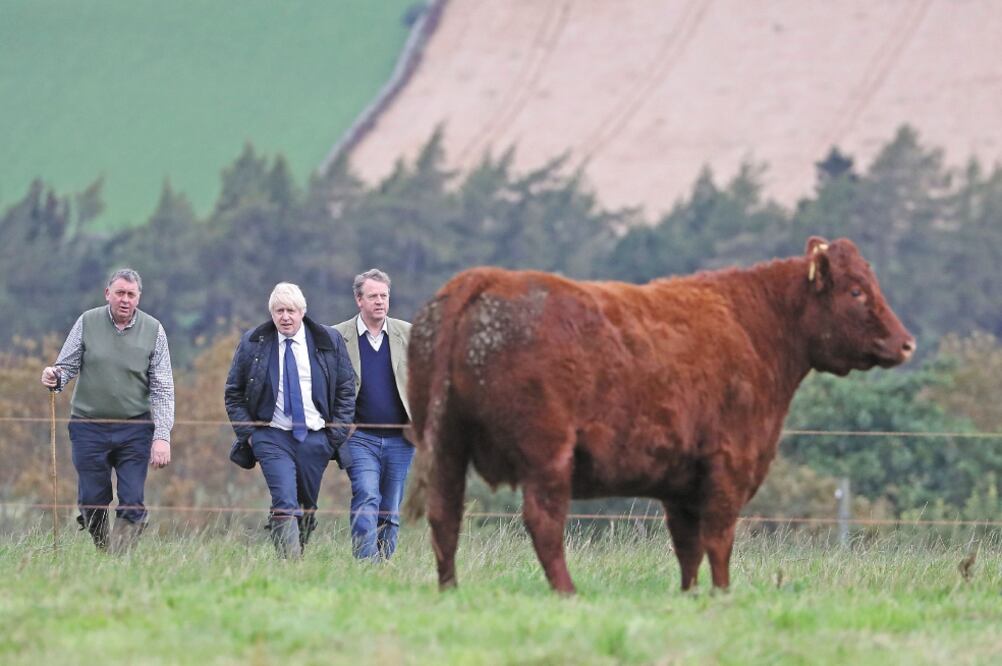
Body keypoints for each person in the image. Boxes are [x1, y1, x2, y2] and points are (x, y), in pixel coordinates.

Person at [40, 268, 174, 553]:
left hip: (135, 429)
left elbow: (163, 388)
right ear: (107, 294)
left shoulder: (154, 330)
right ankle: (103, 548)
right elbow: (67, 365)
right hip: (88, 426)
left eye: (131, 294)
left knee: (132, 500)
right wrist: (55, 377)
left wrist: (162, 436)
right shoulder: (87, 322)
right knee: (92, 498)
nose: (125, 300)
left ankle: (119, 558)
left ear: (139, 297)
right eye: (119, 293)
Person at [224, 282, 355, 558]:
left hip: (316, 437)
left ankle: (299, 551)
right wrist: (250, 434)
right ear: (271, 313)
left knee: (307, 506)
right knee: (284, 501)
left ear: (302, 312)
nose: (285, 317)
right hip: (271, 436)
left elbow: (346, 388)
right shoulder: (253, 343)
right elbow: (233, 392)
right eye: (279, 311)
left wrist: (335, 436)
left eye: (291, 311)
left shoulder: (328, 341)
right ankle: (289, 562)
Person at [334, 269, 414, 560]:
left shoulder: (408, 333)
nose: (380, 301)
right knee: (366, 497)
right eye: (373, 296)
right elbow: (324, 383)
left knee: (390, 509)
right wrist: (340, 422)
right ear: (359, 300)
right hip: (360, 438)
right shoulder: (337, 337)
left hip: (401, 439)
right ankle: (366, 563)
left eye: (384, 296)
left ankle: (383, 568)